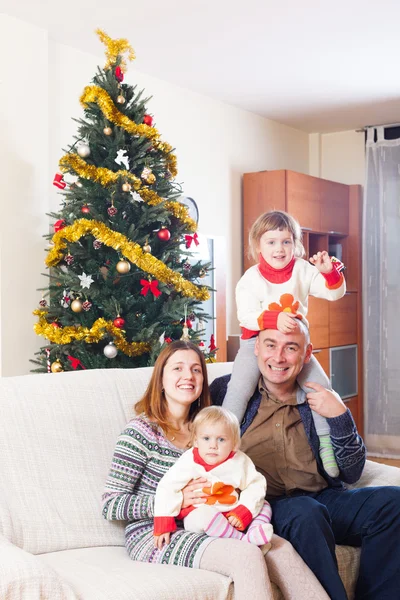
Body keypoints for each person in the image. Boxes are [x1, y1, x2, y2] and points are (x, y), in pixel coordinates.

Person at [102, 340, 330, 600]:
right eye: (177, 368)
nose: (188, 376)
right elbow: (111, 505)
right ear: (160, 379)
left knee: (282, 550)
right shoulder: (141, 433)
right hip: (157, 533)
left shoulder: (213, 431)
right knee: (246, 556)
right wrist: (177, 501)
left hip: (216, 520)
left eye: (196, 370)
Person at [210, 321, 400, 600]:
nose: (278, 357)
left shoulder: (320, 396)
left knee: (393, 504)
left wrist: (340, 417)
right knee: (305, 512)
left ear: (307, 353)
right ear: (257, 348)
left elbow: (352, 472)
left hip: (325, 499)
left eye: (291, 347)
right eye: (271, 345)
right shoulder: (226, 392)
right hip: (264, 506)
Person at [224, 210, 346, 477]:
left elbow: (334, 293)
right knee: (239, 390)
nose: (279, 249)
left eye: (286, 241)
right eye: (271, 242)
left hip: (295, 347)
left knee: (321, 387)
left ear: (296, 245)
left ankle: (325, 444)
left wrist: (330, 274)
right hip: (254, 343)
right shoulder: (250, 279)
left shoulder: (303, 270)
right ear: (258, 246)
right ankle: (224, 445)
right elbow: (245, 316)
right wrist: (273, 318)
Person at [153, 406, 273, 550]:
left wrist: (243, 510)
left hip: (232, 513)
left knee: (264, 504)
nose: (213, 446)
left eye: (221, 439)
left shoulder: (239, 461)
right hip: (199, 514)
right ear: (196, 441)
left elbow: (256, 484)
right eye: (206, 438)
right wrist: (163, 521)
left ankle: (255, 531)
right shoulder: (189, 461)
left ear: (234, 444)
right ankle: (244, 540)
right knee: (205, 514)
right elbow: (167, 487)